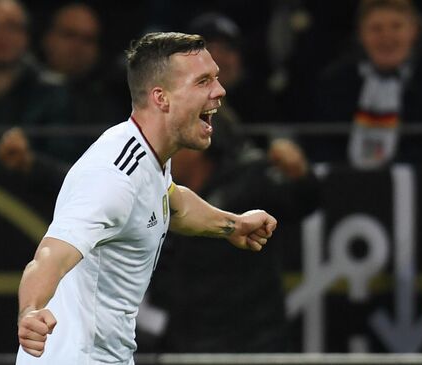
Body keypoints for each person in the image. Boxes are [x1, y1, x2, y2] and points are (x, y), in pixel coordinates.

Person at [15, 32, 278, 364]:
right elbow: (50, 255)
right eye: (203, 81)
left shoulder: (147, 154)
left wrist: (232, 225)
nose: (219, 90)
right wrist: (31, 311)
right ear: (162, 98)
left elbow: (173, 203)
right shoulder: (112, 179)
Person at [145, 109, 319, 352]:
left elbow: (303, 202)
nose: (158, 153)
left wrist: (301, 175)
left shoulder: (249, 178)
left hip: (251, 340)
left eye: (168, 142)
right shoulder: (157, 193)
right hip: (186, 340)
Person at [313, 0, 422, 167]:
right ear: (360, 35)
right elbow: (322, 145)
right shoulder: (335, 81)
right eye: (376, 28)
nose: (386, 37)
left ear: (414, 31)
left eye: (396, 26)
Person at [0, 0, 70, 166]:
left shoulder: (52, 93)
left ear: (26, 35)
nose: (0, 36)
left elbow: (67, 163)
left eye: (12, 27)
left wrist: (29, 160)